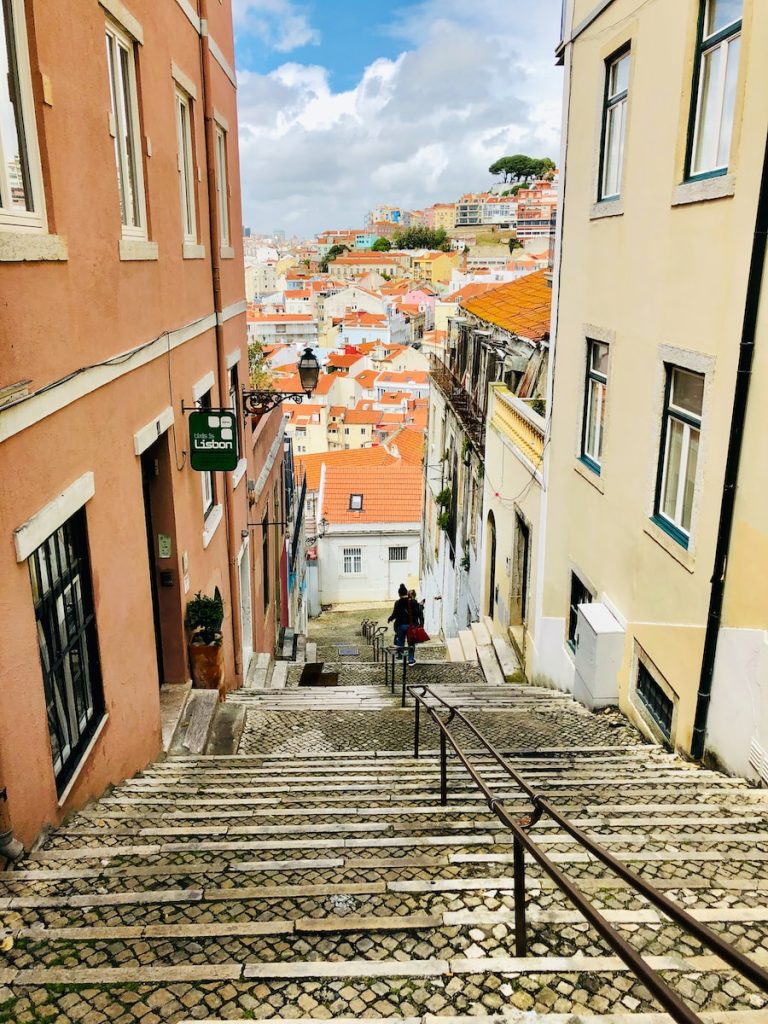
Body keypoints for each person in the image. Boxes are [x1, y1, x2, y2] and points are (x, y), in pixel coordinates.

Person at [387, 584, 411, 661]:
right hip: (410, 625)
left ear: (399, 594)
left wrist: (390, 618)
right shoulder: (411, 601)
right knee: (411, 642)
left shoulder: (397, 603)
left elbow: (395, 613)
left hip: (400, 625)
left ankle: (400, 655)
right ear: (406, 593)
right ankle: (410, 658)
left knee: (400, 640)